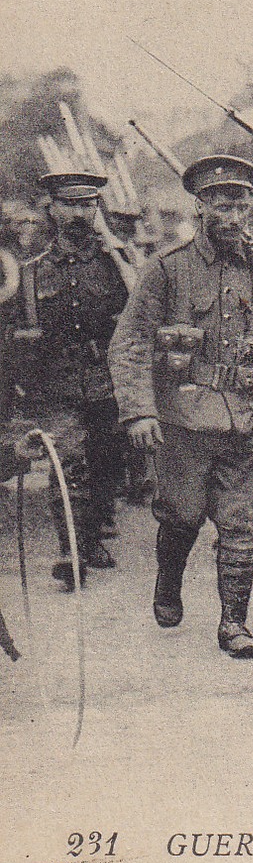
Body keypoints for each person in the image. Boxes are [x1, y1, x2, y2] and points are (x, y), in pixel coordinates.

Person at [109, 156, 253, 657]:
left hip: (246, 419)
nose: (233, 217)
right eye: (223, 206)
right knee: (181, 516)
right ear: (200, 207)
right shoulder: (167, 268)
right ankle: (169, 581)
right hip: (182, 422)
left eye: (241, 206)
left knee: (242, 522)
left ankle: (234, 624)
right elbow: (132, 343)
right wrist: (138, 411)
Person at [3, 171, 128, 585]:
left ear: (96, 209)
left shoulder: (117, 264)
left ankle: (91, 535)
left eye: (87, 204)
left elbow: (137, 319)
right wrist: (22, 381)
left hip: (107, 379)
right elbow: (16, 331)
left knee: (107, 460)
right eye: (70, 204)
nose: (79, 212)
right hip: (55, 382)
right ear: (51, 209)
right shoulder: (31, 272)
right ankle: (71, 551)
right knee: (67, 461)